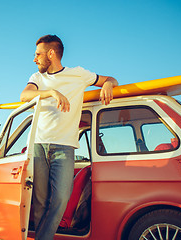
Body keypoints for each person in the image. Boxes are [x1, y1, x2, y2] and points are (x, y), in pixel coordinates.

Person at [20, 34, 118, 240]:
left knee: (61, 199)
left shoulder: (78, 74)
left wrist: (108, 84)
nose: (34, 59)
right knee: (39, 201)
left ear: (51, 53)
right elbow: (24, 96)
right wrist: (52, 93)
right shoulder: (37, 78)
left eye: (38, 54)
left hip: (64, 147)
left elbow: (110, 79)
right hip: (38, 144)